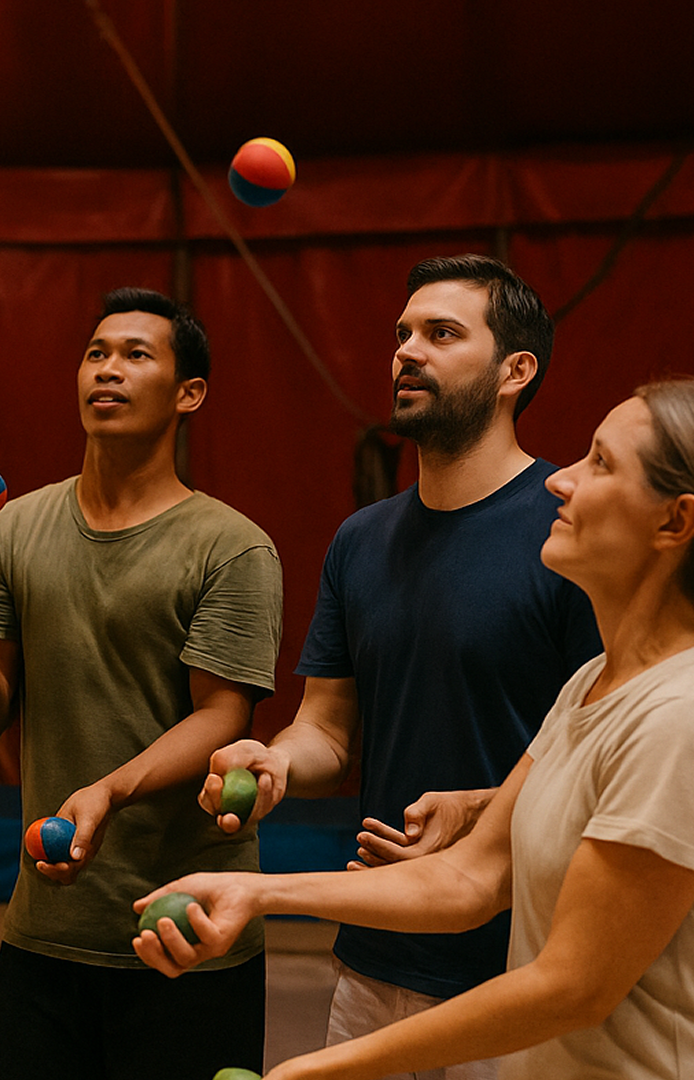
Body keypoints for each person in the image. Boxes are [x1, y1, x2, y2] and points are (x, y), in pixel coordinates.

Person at [136, 378, 694, 1079]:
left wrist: (317, 1069)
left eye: (600, 463)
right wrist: (258, 894)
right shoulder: (592, 688)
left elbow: (571, 987)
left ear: (675, 523)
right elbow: (471, 878)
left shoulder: (691, 716)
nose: (560, 480)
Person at [200, 255, 599, 1080]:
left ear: (514, 371)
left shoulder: (574, 529)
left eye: (441, 334)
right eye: (402, 335)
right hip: (372, 959)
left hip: (519, 963)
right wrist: (273, 761)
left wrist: (484, 809)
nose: (406, 353)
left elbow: (606, 753)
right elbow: (329, 730)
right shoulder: (361, 540)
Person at [0, 288, 283, 1078]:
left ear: (189, 394)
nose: (107, 371)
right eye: (96, 353)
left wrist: (106, 790)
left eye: (136, 355)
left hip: (190, 929)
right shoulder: (11, 533)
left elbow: (221, 716)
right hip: (47, 929)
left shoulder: (232, 547)